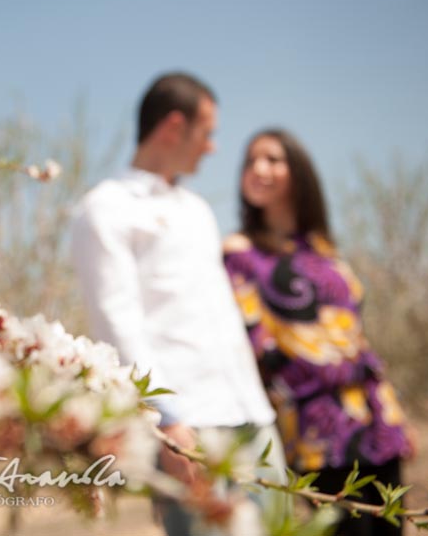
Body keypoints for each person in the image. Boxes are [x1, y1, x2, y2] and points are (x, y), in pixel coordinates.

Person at [71, 73, 287, 535]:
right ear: (173, 126)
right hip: (193, 429)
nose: (211, 147)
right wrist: (167, 422)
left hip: (254, 418)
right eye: (206, 133)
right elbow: (116, 323)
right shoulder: (105, 208)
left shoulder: (197, 210)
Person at [223, 128, 415, 536]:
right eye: (250, 161)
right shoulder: (238, 252)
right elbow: (255, 343)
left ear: (299, 171)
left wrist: (392, 413)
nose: (259, 169)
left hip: (374, 416)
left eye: (272, 159)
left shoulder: (323, 248)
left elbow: (356, 339)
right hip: (314, 428)